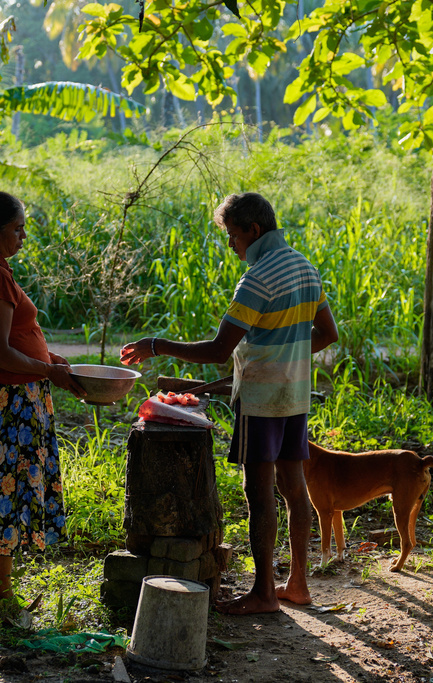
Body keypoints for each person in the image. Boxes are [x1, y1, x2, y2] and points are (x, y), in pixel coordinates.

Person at [120, 192, 339, 615]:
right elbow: (328, 334)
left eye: (233, 235)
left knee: (259, 495)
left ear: (253, 231)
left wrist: (155, 344)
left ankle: (263, 594)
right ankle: (297, 584)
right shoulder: (303, 267)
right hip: (294, 395)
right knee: (294, 489)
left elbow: (220, 349)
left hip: (261, 400)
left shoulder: (257, 277)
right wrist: (288, 355)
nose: (232, 245)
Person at [0, 190, 85, 611]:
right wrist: (48, 372)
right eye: (18, 228)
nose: (24, 236)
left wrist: (48, 358)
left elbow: (8, 341)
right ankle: (2, 592)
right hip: (7, 402)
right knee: (3, 489)